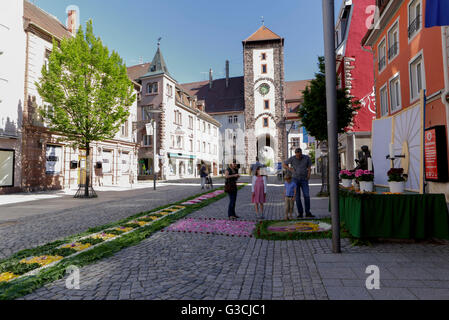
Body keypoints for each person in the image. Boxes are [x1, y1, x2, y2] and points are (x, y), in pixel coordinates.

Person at [283, 148, 315, 218]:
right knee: (297, 197)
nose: (298, 157)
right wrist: (289, 169)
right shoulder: (292, 158)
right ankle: (300, 213)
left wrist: (309, 175)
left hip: (304, 179)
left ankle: (308, 212)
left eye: (299, 155)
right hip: (295, 179)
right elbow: (284, 164)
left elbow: (309, 167)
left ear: (301, 153)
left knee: (306, 195)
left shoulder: (306, 158)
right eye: (297, 155)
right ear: (295, 154)